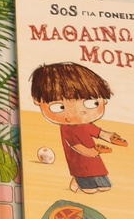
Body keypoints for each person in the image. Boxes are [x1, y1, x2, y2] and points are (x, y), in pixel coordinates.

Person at [29, 62, 127, 194]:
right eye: (60, 107)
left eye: (91, 103)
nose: (77, 112)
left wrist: (111, 137)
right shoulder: (67, 129)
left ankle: (77, 181)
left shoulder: (85, 125)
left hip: (95, 161)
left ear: (104, 100)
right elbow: (76, 146)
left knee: (105, 186)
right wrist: (91, 151)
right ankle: (77, 180)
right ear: (37, 101)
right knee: (89, 189)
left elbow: (99, 133)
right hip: (79, 163)